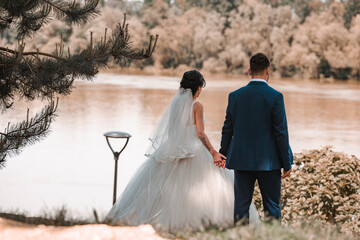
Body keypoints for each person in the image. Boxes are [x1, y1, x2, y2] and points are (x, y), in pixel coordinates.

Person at [105, 70, 258, 233]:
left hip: (174, 149)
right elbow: (200, 133)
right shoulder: (197, 105)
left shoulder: (175, 104)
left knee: (160, 188)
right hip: (194, 150)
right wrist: (213, 152)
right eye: (201, 87)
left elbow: (172, 131)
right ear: (198, 88)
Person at [218, 53, 293, 224]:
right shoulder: (275, 96)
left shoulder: (235, 96)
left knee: (241, 206)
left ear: (249, 71)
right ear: (268, 70)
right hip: (269, 162)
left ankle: (240, 237)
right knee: (272, 207)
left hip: (242, 160)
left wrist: (223, 153)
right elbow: (281, 133)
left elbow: (227, 128)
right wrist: (286, 162)